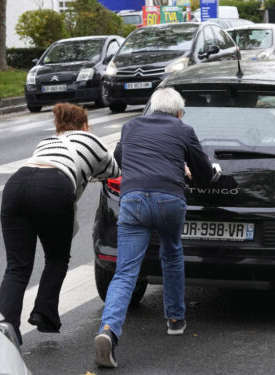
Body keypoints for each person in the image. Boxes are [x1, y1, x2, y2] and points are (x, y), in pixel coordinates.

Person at [94, 88, 214, 368]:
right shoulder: (184, 130)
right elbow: (205, 174)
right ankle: (175, 319)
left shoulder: (129, 127)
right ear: (179, 112)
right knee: (171, 253)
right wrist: (184, 168)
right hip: (169, 200)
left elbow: (121, 161)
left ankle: (108, 331)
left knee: (125, 271)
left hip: (133, 200)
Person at [0, 103, 120, 344]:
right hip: (53, 187)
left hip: (15, 185)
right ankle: (44, 314)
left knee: (17, 267)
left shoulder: (46, 142)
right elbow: (113, 170)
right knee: (56, 258)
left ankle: (5, 331)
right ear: (84, 125)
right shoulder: (90, 140)